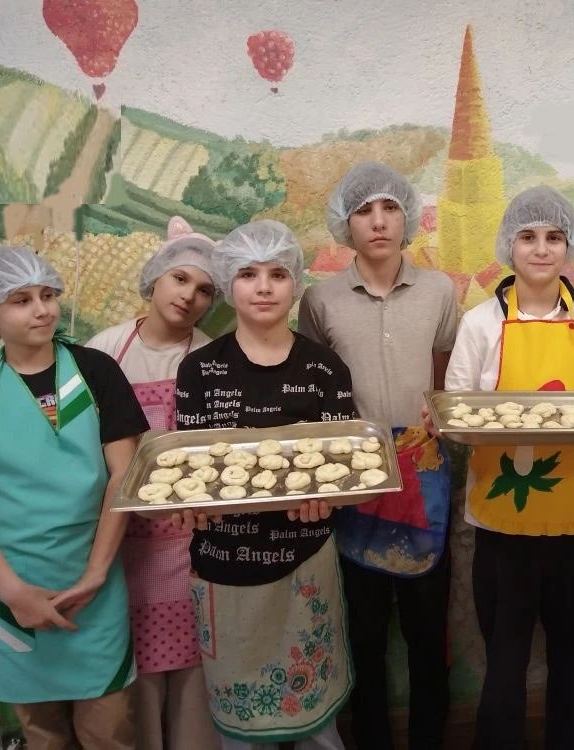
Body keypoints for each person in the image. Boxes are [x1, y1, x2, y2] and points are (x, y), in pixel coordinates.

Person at [0, 246, 149, 750]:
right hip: (7, 587)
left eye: (48, 295)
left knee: (109, 731)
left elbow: (123, 477)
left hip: (94, 584)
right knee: (42, 736)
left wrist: (96, 573)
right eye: (21, 300)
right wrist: (13, 592)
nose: (42, 309)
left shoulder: (97, 373)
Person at [443, 186, 574, 749]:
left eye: (553, 237)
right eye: (528, 237)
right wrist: (460, 423)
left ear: (569, 246)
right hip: (502, 520)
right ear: (508, 246)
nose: (541, 249)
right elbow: (456, 412)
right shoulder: (479, 324)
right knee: (505, 657)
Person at [174, 220, 356, 750]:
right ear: (228, 282)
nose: (263, 287)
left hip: (305, 561)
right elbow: (190, 469)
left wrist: (328, 499)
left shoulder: (325, 368)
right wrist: (190, 504)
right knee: (241, 733)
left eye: (277, 274)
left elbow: (345, 466)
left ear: (295, 282)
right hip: (224, 565)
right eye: (248, 274)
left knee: (318, 730)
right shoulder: (199, 370)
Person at [298, 161, 457, 750]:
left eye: (391, 207)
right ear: (346, 222)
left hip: (425, 470)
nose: (379, 220)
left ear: (407, 216)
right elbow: (312, 384)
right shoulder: (320, 300)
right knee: (362, 630)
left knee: (427, 627)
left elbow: (445, 375)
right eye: (364, 209)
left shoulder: (440, 291)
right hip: (354, 474)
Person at [87, 216, 220, 750]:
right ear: (155, 279)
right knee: (135, 682)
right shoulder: (105, 351)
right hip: (124, 545)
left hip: (191, 543)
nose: (189, 296)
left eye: (204, 289)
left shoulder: (210, 358)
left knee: (194, 680)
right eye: (180, 279)